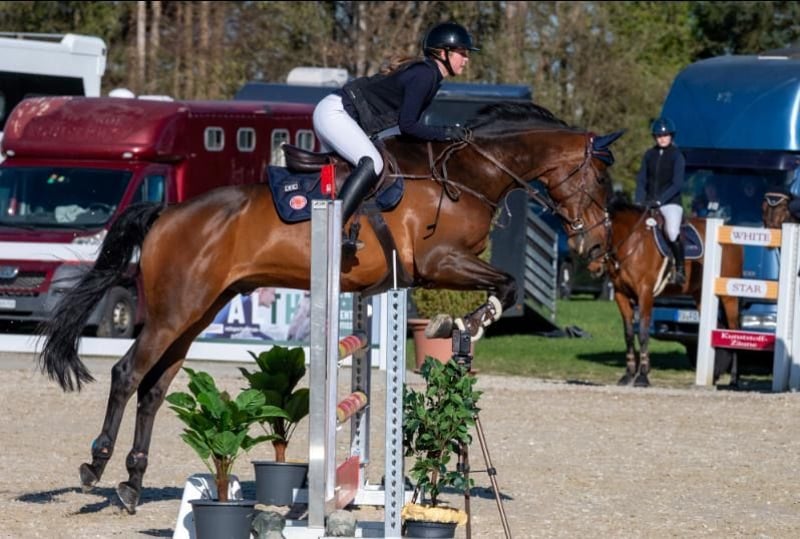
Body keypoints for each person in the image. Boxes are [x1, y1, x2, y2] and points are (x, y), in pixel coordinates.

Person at [312, 21, 478, 255]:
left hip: (339, 113)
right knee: (372, 162)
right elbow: (408, 126)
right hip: (335, 113)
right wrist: (447, 133)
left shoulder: (430, 77)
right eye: (462, 53)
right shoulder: (424, 75)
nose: (466, 59)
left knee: (361, 167)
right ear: (443, 53)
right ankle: (333, 228)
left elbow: (404, 129)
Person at [634, 117, 687, 285]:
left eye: (665, 135)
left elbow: (677, 184)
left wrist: (660, 201)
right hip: (649, 202)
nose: (662, 138)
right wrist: (639, 200)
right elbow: (641, 180)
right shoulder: (649, 155)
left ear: (671, 136)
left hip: (671, 203)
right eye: (659, 136)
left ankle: (680, 269)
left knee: (671, 231)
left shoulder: (677, 156)